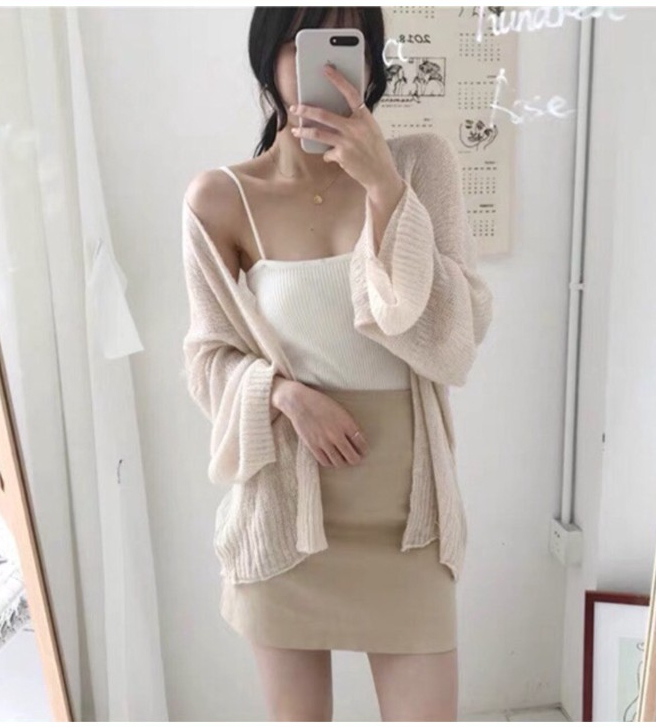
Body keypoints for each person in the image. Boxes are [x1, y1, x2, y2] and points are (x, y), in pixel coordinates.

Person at [181, 6, 493, 721]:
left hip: (408, 522)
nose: (321, 66)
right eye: (302, 43)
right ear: (267, 57)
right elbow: (205, 360)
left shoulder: (420, 165)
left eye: (344, 43)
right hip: (286, 521)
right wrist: (284, 395)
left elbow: (455, 336)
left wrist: (386, 190)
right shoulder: (221, 198)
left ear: (370, 60)